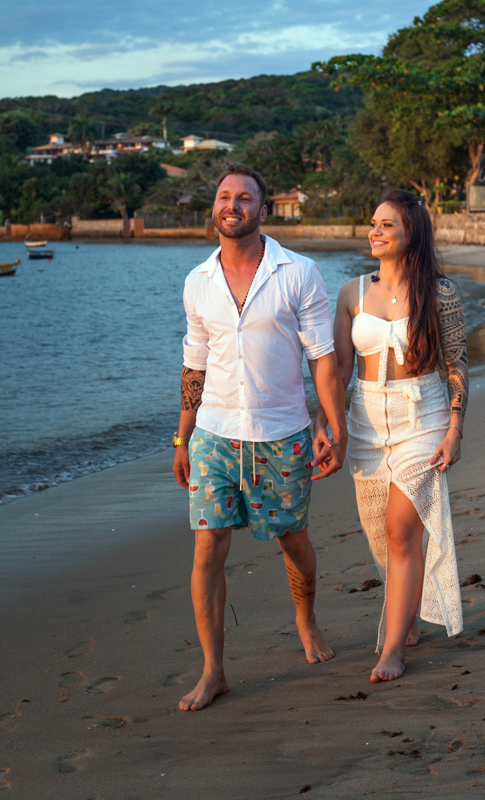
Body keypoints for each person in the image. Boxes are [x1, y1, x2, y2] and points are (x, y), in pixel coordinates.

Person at [173, 164, 348, 712]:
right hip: (214, 436)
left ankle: (305, 618)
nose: (233, 205)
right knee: (208, 548)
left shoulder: (298, 272)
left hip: (281, 434)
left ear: (262, 209)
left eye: (244, 197)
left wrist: (333, 426)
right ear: (214, 208)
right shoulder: (197, 282)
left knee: (291, 539)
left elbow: (322, 358)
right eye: (224, 196)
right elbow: (194, 366)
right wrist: (181, 439)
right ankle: (214, 670)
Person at [319, 189, 466, 684]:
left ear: (411, 234)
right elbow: (339, 369)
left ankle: (391, 650)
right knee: (381, 533)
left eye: (387, 225)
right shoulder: (351, 293)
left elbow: (457, 365)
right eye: (374, 223)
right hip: (364, 423)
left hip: (420, 419)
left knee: (403, 530)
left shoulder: (439, 293)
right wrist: (327, 425)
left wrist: (455, 428)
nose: (375, 232)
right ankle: (408, 618)